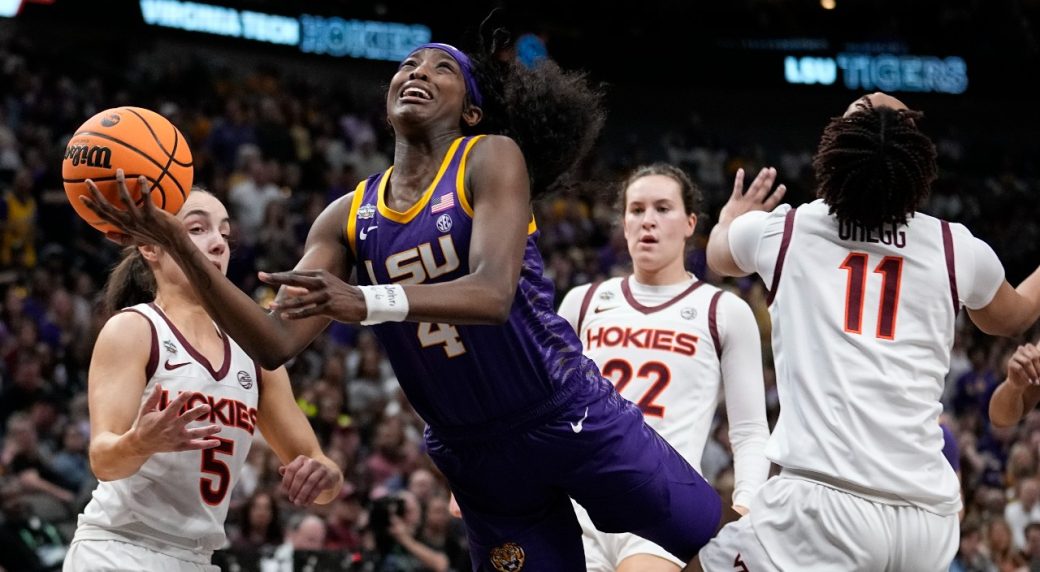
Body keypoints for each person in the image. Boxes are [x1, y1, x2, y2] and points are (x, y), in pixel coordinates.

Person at [82, 28, 722, 570]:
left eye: (443, 68)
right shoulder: (345, 216)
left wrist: (364, 301)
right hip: (475, 455)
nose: (418, 71)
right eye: (407, 65)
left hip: (564, 410)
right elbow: (273, 344)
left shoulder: (491, 157)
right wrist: (180, 242)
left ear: (469, 110)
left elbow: (493, 295)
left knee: (718, 546)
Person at [693, 92, 1040, 571]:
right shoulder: (953, 246)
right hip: (927, 521)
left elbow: (716, 256)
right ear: (915, 156)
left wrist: (732, 216)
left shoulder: (787, 230)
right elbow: (1016, 315)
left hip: (823, 503)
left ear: (839, 146)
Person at [64, 190, 342, 572]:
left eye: (225, 235)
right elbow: (103, 460)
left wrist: (326, 473)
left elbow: (321, 474)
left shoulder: (256, 352)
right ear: (150, 248)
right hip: (118, 549)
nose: (217, 244)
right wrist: (139, 442)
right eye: (197, 229)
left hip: (197, 559)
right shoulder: (134, 329)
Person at [557, 163, 769, 572]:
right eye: (636, 210)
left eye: (662, 208)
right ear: (623, 223)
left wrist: (747, 505)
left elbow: (749, 430)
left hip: (662, 502)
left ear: (691, 222)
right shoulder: (581, 301)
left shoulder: (723, 309)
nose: (648, 221)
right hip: (577, 501)